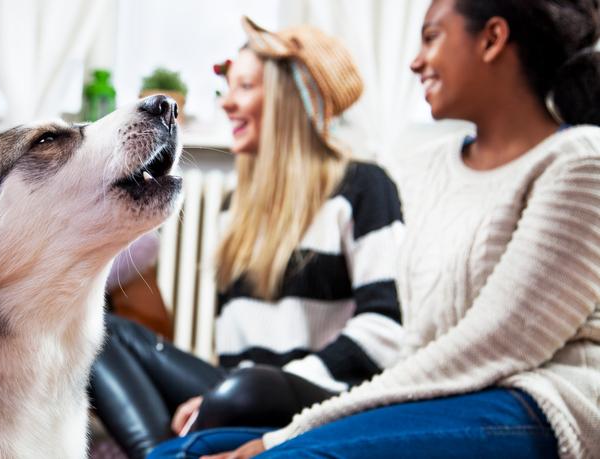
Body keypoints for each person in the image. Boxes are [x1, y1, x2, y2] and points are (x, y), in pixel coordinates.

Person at [150, 0, 600, 457]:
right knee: (173, 454)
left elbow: (493, 347)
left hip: (536, 399)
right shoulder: (431, 168)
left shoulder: (579, 161)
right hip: (439, 396)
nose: (415, 62)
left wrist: (280, 437)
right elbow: (417, 344)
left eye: (431, 37)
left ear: (492, 39)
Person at [90, 17, 405, 459]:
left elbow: (385, 329)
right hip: (242, 391)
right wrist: (218, 397)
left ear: (289, 100)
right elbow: (233, 353)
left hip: (322, 393)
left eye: (245, 87)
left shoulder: (364, 187)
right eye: (228, 88)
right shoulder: (233, 208)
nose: (228, 103)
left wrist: (256, 387)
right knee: (100, 334)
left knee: (248, 386)